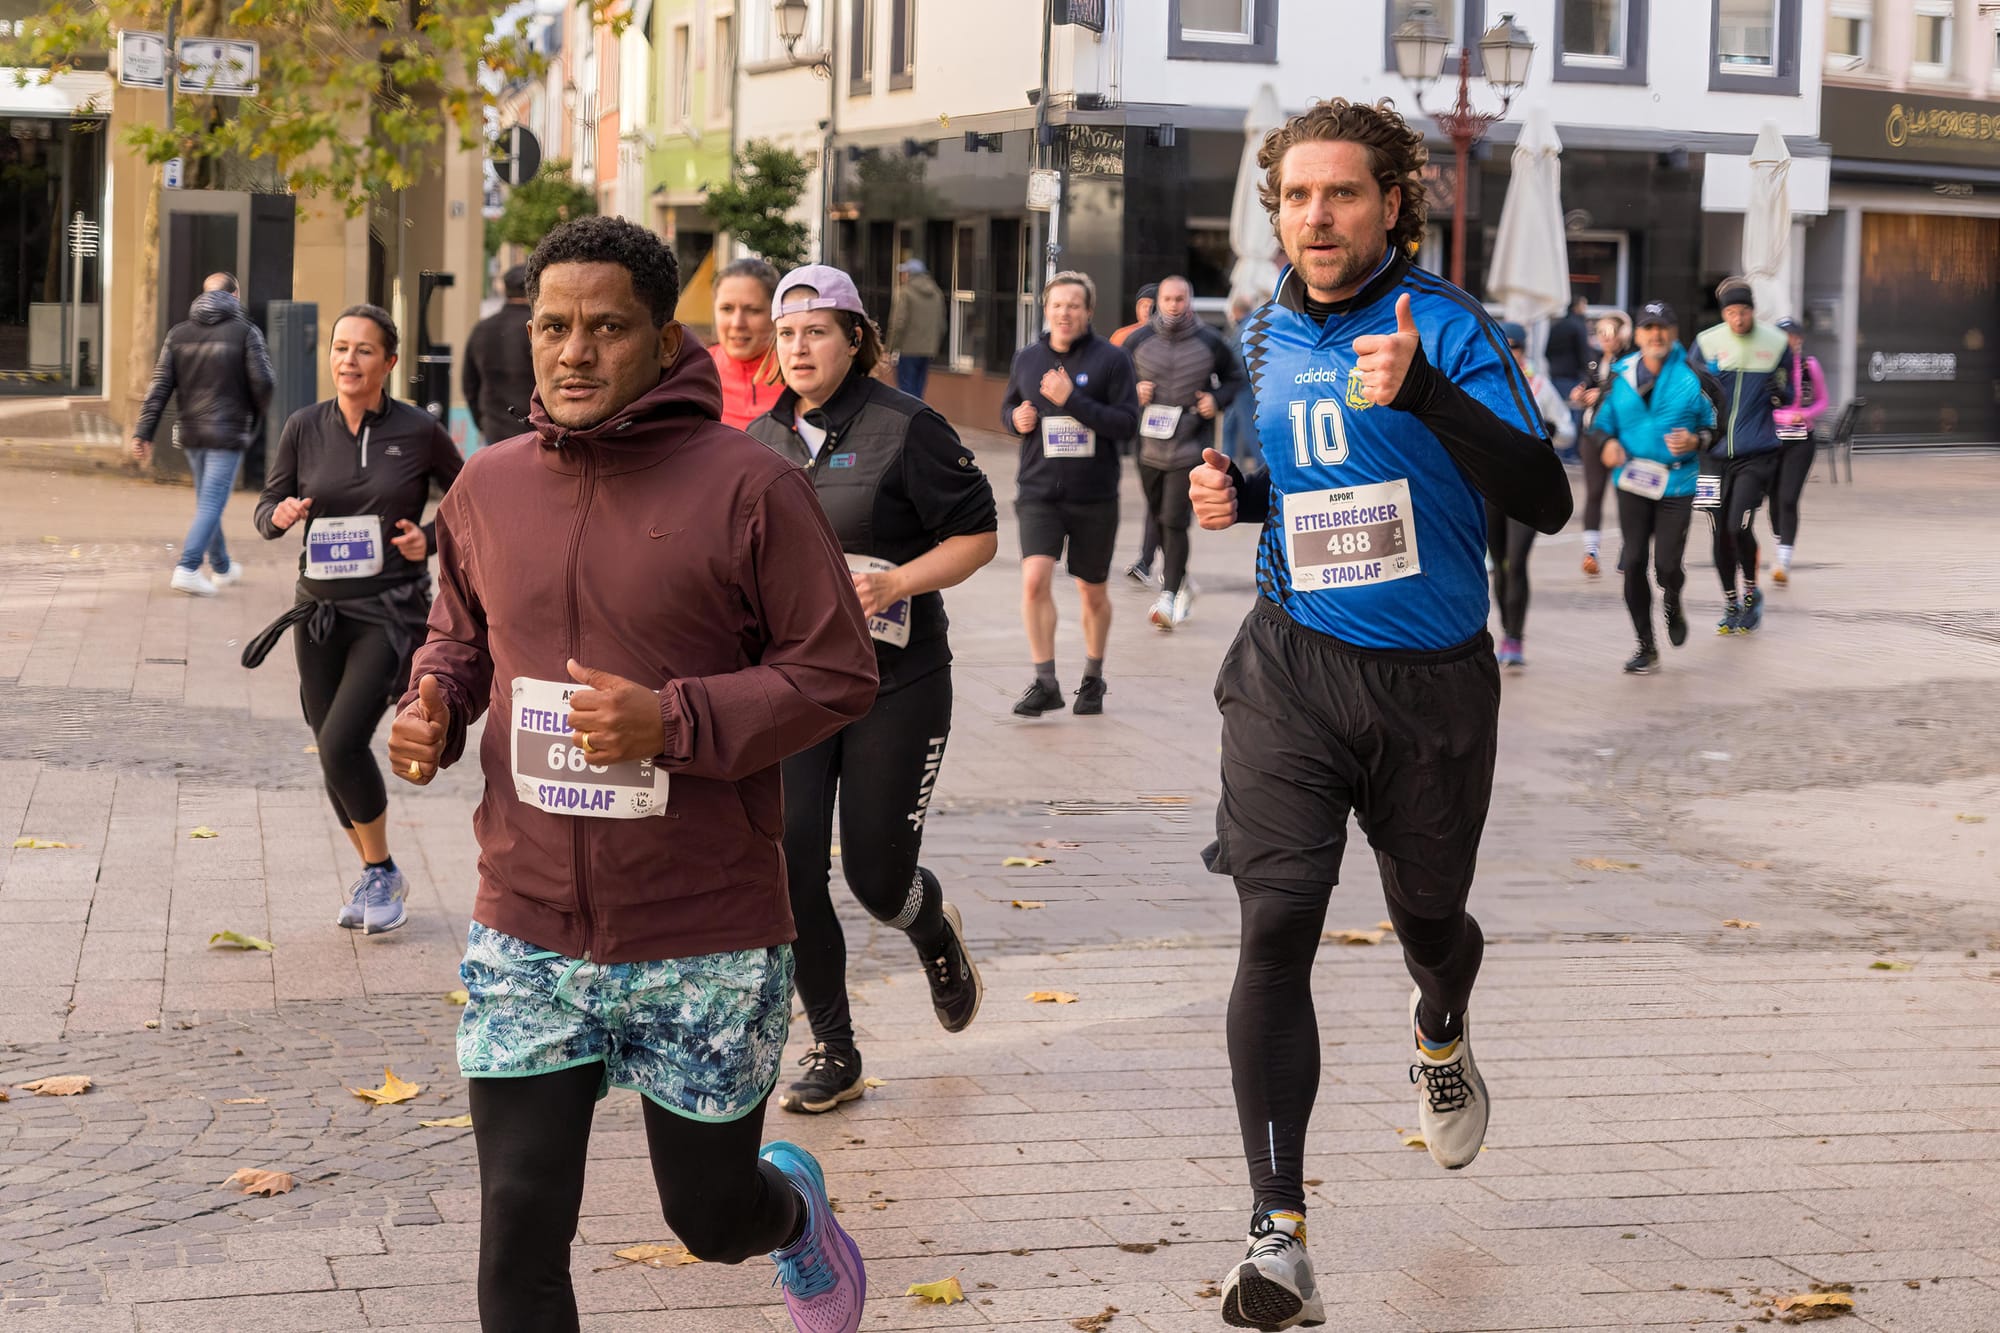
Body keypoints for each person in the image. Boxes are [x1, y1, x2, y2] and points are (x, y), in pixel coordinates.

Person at [385, 216, 878, 1333]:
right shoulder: (487, 486)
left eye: (605, 328)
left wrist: (671, 719)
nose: (572, 352)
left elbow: (837, 671)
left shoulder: (752, 488)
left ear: (663, 342)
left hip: (703, 924)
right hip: (527, 923)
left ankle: (791, 1216)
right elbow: (461, 637)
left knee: (708, 1214)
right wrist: (434, 704)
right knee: (518, 1224)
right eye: (552, 326)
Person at [1185, 97, 1571, 1331]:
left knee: (1429, 919)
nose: (1315, 216)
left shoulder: (1446, 325)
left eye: (1340, 193)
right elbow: (1315, 478)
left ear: (1390, 202)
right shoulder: (1261, 329)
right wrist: (1240, 493)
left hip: (1432, 684)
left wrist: (1427, 396)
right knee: (1275, 919)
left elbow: (1545, 497)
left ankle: (1440, 1025)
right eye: (1296, 196)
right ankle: (1277, 1230)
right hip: (1289, 665)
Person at [743, 264, 999, 1114]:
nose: (799, 347)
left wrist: (897, 582)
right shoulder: (757, 440)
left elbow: (978, 536)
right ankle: (834, 1046)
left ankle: (930, 923)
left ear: (855, 339)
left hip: (899, 681)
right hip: (797, 687)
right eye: (787, 333)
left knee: (877, 878)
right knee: (790, 865)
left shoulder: (907, 427)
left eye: (816, 331)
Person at [244, 305, 464, 934]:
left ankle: (381, 871)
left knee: (341, 740)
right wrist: (278, 517)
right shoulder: (303, 426)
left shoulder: (418, 430)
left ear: (388, 362)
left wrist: (429, 538)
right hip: (318, 613)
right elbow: (267, 505)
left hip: (388, 612)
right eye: (340, 348)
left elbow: (472, 495)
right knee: (329, 748)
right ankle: (377, 872)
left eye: (364, 350)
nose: (348, 360)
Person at [1002, 271, 1139, 718]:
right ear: (1046, 309)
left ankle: (1093, 677)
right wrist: (1014, 419)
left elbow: (1126, 425)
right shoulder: (1027, 359)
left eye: (1074, 306)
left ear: (1088, 311)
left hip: (1094, 496)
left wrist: (1071, 400)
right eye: (1057, 305)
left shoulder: (1112, 360)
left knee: (1092, 592)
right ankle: (1045, 682)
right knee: (1034, 580)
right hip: (1038, 492)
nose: (1065, 313)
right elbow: (1009, 407)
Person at [130, 272, 275, 597]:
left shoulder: (179, 333)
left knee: (208, 500)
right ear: (235, 295)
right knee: (211, 502)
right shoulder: (246, 332)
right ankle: (188, 567)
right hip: (228, 431)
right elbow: (264, 381)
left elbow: (159, 387)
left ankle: (222, 566)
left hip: (192, 432)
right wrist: (254, 412)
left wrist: (144, 431)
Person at [1591, 302, 1715, 674]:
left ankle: (1672, 598)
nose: (1656, 334)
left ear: (1674, 333)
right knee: (1632, 562)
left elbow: (1717, 423)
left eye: (1663, 327)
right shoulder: (1620, 374)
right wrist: (1606, 443)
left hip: (1676, 482)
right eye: (1648, 328)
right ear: (1638, 335)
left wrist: (1697, 440)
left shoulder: (1694, 376)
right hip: (1632, 480)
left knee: (1666, 566)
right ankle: (1646, 646)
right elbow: (1599, 422)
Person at [1125, 275, 1246, 630]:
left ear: (1189, 301)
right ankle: (1182, 582)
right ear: (1158, 302)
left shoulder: (1210, 341)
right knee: (1159, 515)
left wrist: (1215, 400)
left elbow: (1236, 378)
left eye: (1180, 299)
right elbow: (1113, 382)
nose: (1174, 305)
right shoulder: (1138, 340)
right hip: (1148, 446)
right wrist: (1133, 391)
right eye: (1168, 299)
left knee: (1175, 519)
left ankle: (1169, 594)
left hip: (1189, 444)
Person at [1694, 278, 1794, 635]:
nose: (1738, 319)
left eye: (1744, 311)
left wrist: (1779, 391)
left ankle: (1751, 594)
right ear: (1724, 314)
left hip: (1756, 454)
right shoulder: (1706, 342)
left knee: (1738, 525)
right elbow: (1686, 392)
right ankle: (1731, 601)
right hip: (1712, 456)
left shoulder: (1776, 342)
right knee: (1719, 531)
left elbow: (1790, 393)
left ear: (1754, 311)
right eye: (1732, 313)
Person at [1489, 322, 1573, 668]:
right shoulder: (1483, 381)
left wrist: (1549, 431)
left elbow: (1567, 429)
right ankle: (1505, 628)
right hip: (1491, 487)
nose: (1511, 353)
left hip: (1528, 489)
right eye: (1505, 346)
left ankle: (1515, 638)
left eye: (1517, 347)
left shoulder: (1539, 386)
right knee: (1499, 565)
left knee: (1517, 561)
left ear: (1525, 351)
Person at [1569, 310, 1632, 577]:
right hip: (1592, 434)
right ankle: (1591, 552)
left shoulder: (1630, 362)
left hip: (1621, 435)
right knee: (1594, 492)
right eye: (1600, 332)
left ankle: (1629, 550)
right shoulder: (1595, 360)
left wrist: (1603, 395)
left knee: (1626, 494)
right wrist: (1580, 393)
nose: (1605, 338)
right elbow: (1588, 382)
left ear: (1623, 335)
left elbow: (1631, 391)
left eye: (1611, 332)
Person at [1768, 316, 1828, 586]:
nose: (1789, 341)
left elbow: (1822, 401)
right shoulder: (1767, 368)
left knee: (1788, 498)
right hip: (1771, 440)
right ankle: (1780, 541)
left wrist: (1803, 414)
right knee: (1773, 499)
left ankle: (1784, 559)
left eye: (1792, 336)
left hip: (1801, 441)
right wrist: (1780, 417)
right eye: (1783, 336)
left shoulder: (1809, 366)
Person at [463, 264, 537, 448]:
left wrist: (482, 423)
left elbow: (469, 384)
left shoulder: (482, 329)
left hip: (494, 430)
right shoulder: (542, 330)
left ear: (505, 289)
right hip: (535, 431)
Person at [709, 257, 783, 431]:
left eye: (752, 310)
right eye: (727, 308)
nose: (737, 323)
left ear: (775, 314)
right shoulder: (691, 370)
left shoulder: (799, 374)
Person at [886, 258, 946, 400]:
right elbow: (941, 324)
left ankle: (908, 414)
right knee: (919, 389)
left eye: (904, 272)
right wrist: (934, 345)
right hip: (927, 350)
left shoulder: (904, 292)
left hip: (907, 349)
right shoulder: (936, 293)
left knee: (906, 389)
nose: (902, 276)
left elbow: (898, 323)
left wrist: (891, 347)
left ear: (910, 274)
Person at [1545, 294, 1592, 404]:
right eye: (1583, 305)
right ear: (1576, 306)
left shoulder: (1558, 324)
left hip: (1554, 374)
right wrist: (1587, 374)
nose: (1585, 309)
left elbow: (1547, 349)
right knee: (1572, 408)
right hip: (1572, 375)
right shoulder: (1578, 325)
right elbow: (1584, 352)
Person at [1110, 282, 1158, 348]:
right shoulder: (1122, 336)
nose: (1147, 310)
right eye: (1144, 305)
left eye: (1153, 306)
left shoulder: (1170, 336)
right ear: (1137, 308)